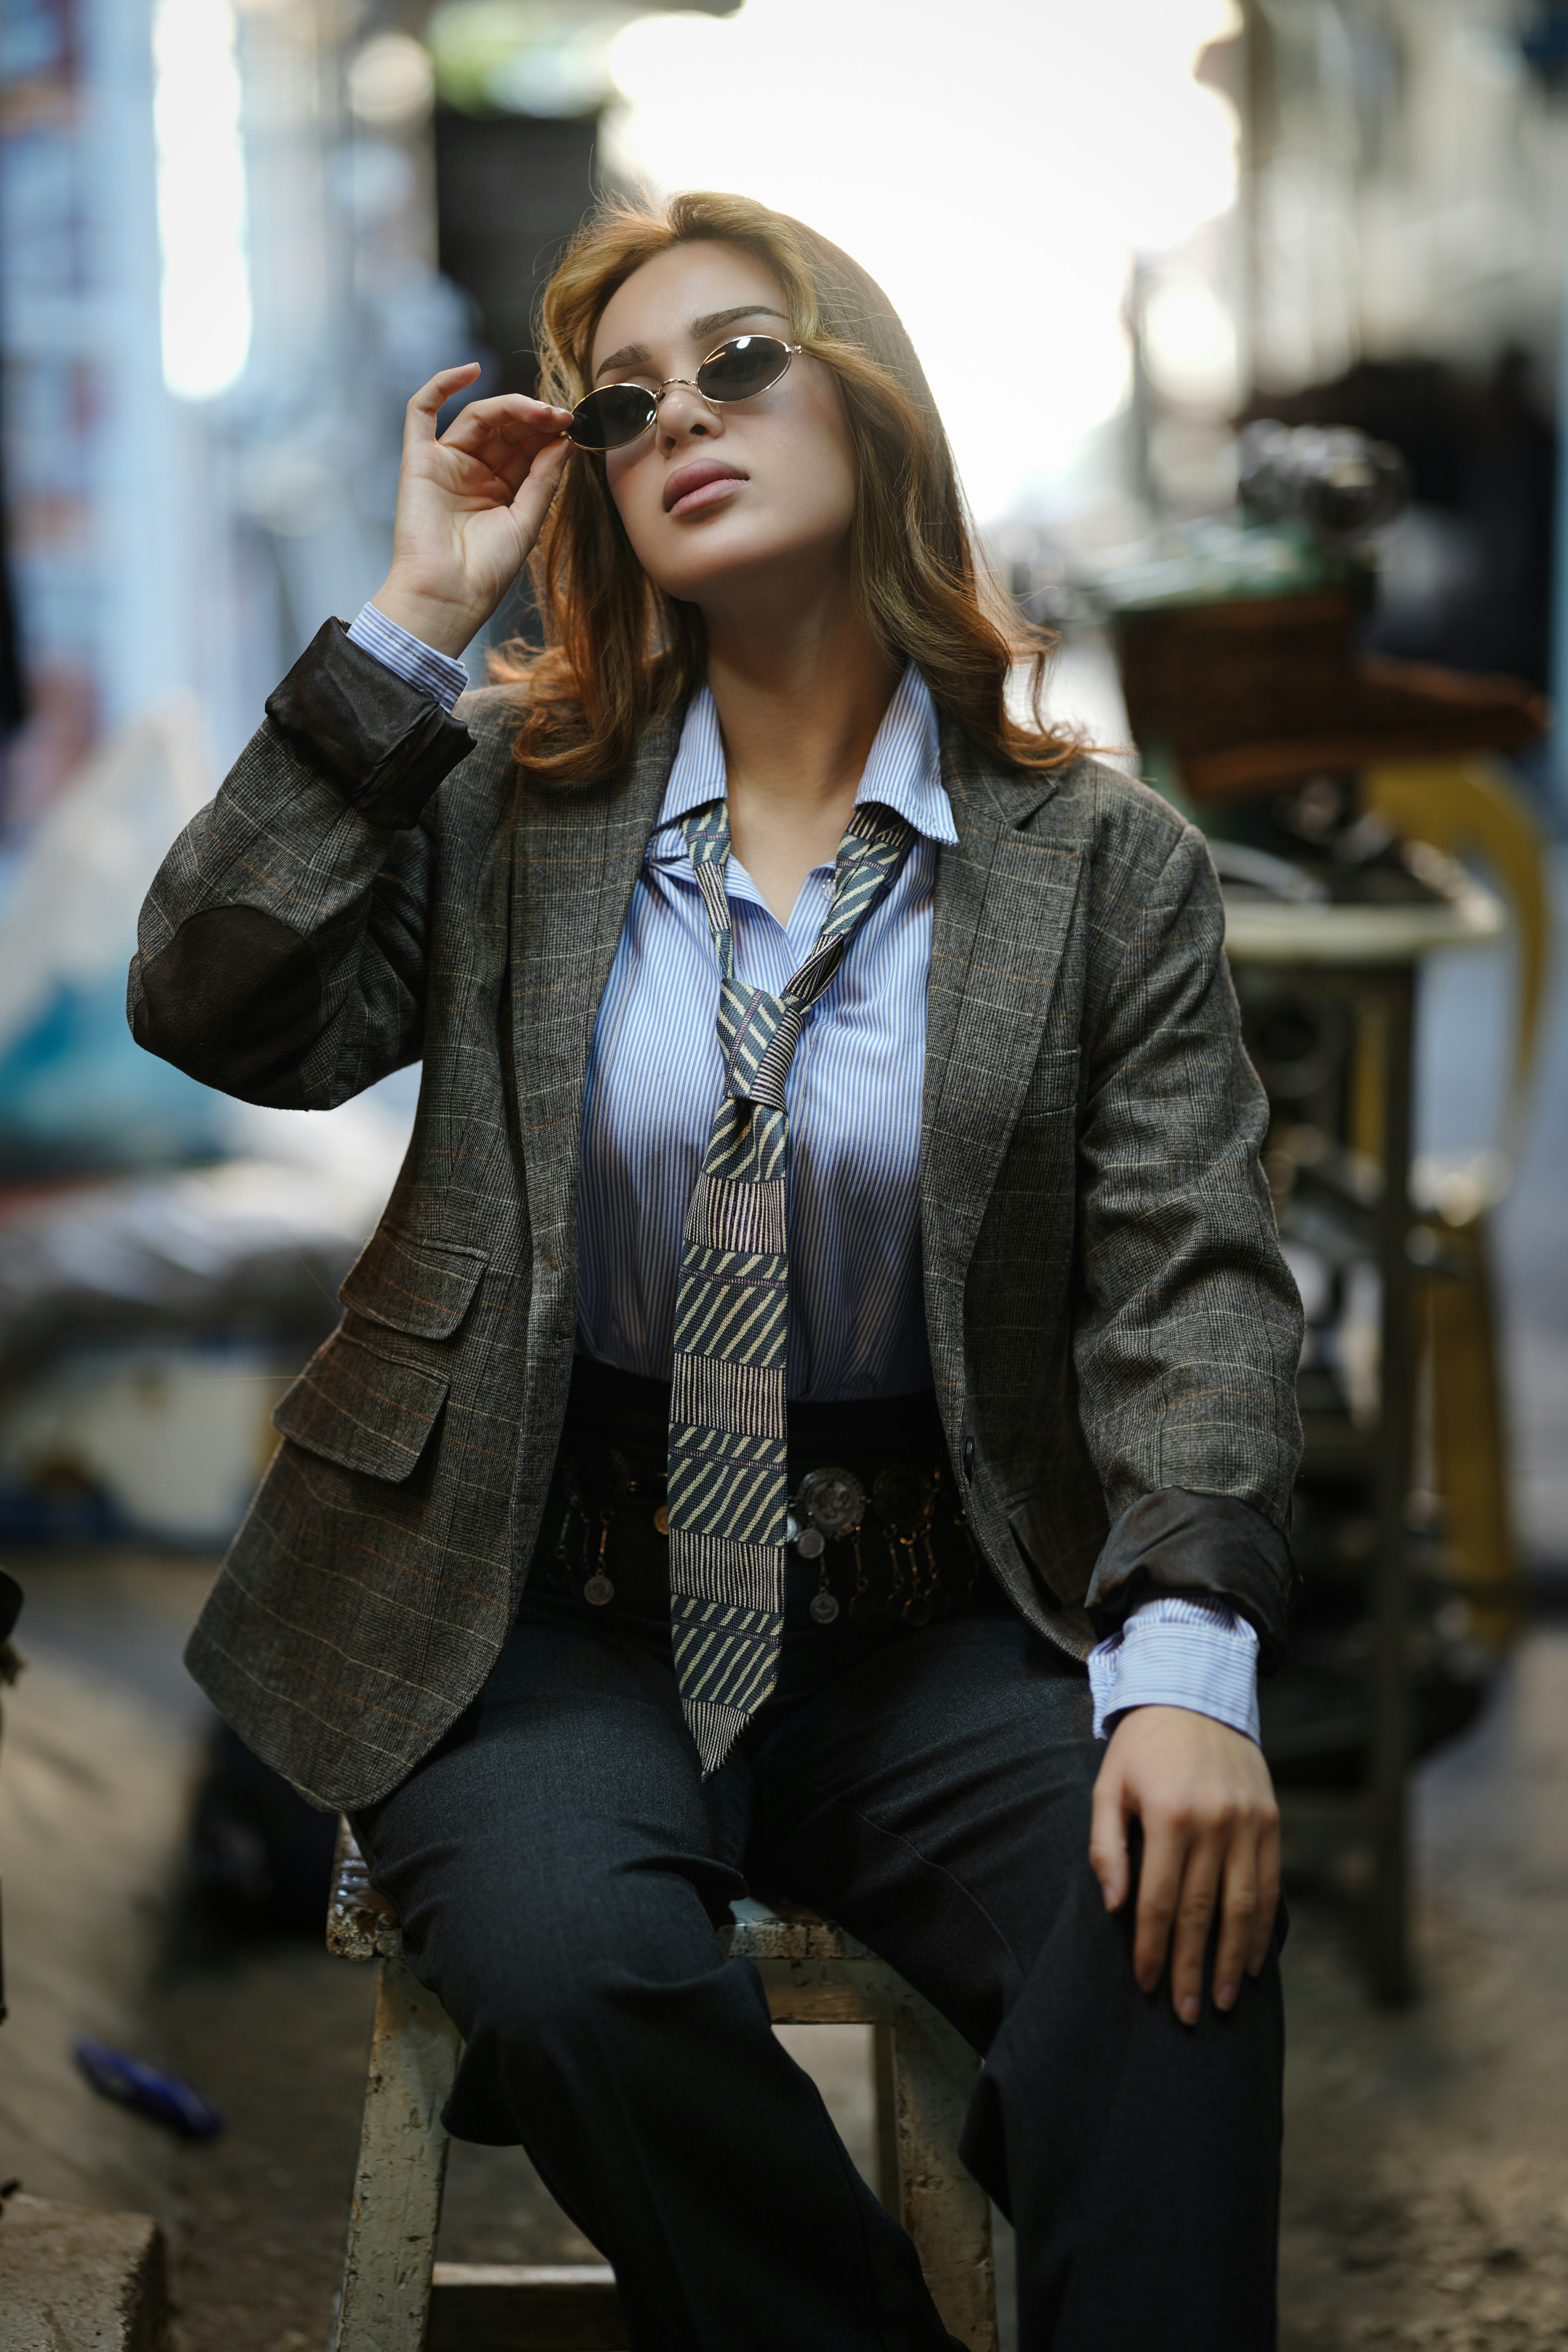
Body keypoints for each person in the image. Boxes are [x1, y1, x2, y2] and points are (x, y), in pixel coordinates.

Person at [131, 191, 1303, 2351]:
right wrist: (408, 621)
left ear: (870, 393)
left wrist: (1190, 1671)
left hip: (941, 1603)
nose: (684, 417)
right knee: (581, 1980)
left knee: (1178, 1942)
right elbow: (216, 1005)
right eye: (626, 400)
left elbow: (1195, 1288)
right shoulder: (504, 795)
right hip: (541, 1589)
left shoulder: (1100, 859)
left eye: (743, 360)